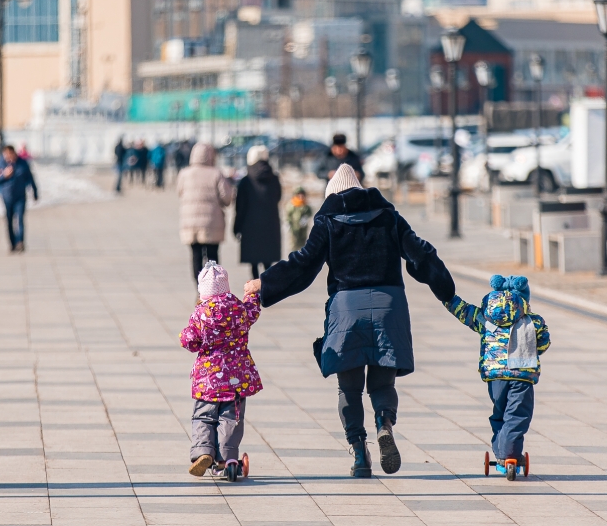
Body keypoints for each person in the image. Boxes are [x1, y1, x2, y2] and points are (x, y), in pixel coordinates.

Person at [243, 164, 455, 478]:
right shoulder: (389, 217)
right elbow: (420, 254)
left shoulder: (328, 222)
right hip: (389, 307)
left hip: (347, 309)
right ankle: (384, 423)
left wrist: (265, 284)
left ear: (333, 195)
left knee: (349, 388)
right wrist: (445, 289)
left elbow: (303, 265)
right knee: (383, 382)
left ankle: (359, 452)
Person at [443, 275, 550, 477]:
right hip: (522, 376)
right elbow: (543, 343)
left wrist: (445, 296)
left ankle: (502, 452)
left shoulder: (485, 318)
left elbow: (463, 310)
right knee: (517, 415)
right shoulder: (534, 321)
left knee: (500, 413)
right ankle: (509, 453)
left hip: (495, 378)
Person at [180, 261, 263, 477]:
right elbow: (253, 310)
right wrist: (252, 294)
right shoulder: (239, 309)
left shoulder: (200, 313)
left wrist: (185, 337)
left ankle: (202, 452)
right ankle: (227, 457)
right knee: (231, 417)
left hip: (208, 379)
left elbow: (190, 340)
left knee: (204, 416)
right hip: (237, 378)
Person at [177, 143, 233, 294]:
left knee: (195, 256)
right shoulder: (216, 173)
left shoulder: (184, 173)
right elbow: (227, 198)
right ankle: (213, 290)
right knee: (212, 258)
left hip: (190, 223)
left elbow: (180, 192)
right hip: (212, 223)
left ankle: (199, 290)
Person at [234, 145, 282, 280]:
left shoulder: (246, 181)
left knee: (253, 261)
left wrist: (236, 226)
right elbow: (278, 197)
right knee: (268, 260)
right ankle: (268, 286)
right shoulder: (274, 179)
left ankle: (255, 290)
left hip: (250, 226)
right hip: (270, 224)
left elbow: (240, 206)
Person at [0, 145, 38, 253]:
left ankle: (20, 242)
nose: (8, 156)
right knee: (9, 220)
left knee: (20, 219)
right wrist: (4, 175)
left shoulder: (22, 163)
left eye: (10, 154)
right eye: (6, 154)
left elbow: (30, 178)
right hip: (7, 197)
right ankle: (12, 243)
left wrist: (35, 191)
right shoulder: (0, 164)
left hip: (20, 196)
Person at [285, 186, 313, 252]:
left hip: (303, 229)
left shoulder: (305, 206)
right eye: (299, 194)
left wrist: (305, 219)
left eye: (302, 194)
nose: (301, 196)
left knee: (302, 244)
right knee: (293, 243)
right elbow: (288, 215)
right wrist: (287, 223)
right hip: (293, 228)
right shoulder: (291, 205)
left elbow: (309, 213)